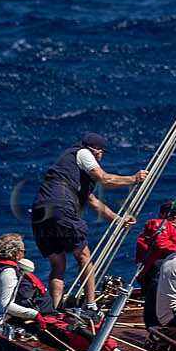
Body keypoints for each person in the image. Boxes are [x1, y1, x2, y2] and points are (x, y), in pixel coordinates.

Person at [29, 132, 143, 310]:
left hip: (40, 212)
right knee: (84, 257)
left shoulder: (71, 167)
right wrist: (134, 179)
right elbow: (105, 179)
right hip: (61, 207)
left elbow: (91, 202)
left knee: (58, 264)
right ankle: (91, 306)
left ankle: (55, 310)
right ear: (98, 151)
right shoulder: (84, 154)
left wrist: (118, 220)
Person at [0, 233, 135, 351]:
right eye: (23, 252)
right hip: (42, 321)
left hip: (51, 315)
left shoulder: (13, 270)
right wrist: (35, 315)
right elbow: (5, 306)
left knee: (93, 321)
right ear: (16, 254)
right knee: (82, 335)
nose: (24, 255)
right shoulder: (8, 272)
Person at [134, 200, 176, 327]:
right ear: (162, 214)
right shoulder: (159, 225)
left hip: (153, 278)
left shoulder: (167, 229)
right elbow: (161, 244)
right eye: (172, 214)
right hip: (153, 277)